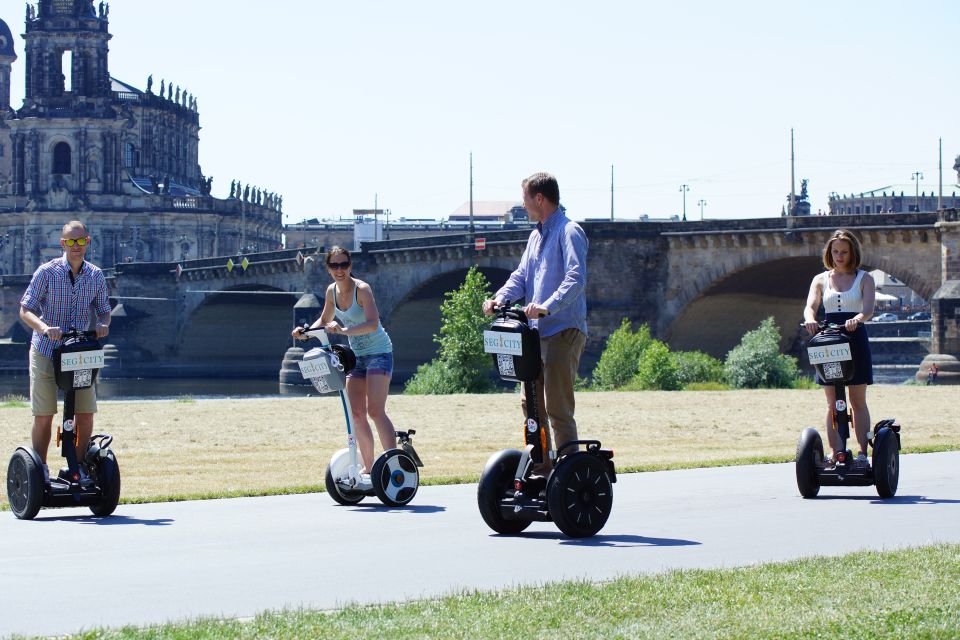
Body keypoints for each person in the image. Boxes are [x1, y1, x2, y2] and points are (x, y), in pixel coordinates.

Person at [482, 172, 588, 470]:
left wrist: (547, 306)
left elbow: (576, 278)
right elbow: (521, 276)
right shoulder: (536, 235)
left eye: (525, 199)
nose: (523, 205)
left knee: (557, 407)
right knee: (530, 405)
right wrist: (500, 299)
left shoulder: (569, 231)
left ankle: (570, 471)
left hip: (562, 331)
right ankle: (543, 468)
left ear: (539, 198)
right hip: (534, 335)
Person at [18, 221, 111, 484]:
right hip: (46, 350)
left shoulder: (95, 275)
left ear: (88, 242)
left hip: (79, 352)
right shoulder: (46, 273)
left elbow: (103, 308)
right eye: (71, 242)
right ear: (63, 244)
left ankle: (79, 467)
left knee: (85, 413)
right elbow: (25, 309)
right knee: (44, 414)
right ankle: (40, 471)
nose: (76, 247)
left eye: (80, 241)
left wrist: (104, 323)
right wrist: (45, 327)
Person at [292, 247, 396, 480]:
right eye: (334, 266)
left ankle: (393, 463)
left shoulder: (363, 290)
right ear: (328, 269)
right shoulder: (331, 291)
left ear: (350, 266)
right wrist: (305, 332)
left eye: (343, 265)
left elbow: (372, 323)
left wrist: (344, 330)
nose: (339, 270)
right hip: (356, 356)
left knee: (375, 411)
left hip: (379, 352)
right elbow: (325, 320)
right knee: (356, 413)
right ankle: (369, 468)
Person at [803, 229, 876, 469]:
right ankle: (835, 453)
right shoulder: (820, 279)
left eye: (844, 252)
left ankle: (863, 453)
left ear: (852, 252)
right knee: (832, 401)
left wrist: (858, 318)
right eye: (835, 251)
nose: (839, 256)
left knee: (857, 400)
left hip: (854, 337)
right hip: (829, 340)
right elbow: (810, 306)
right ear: (829, 252)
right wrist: (811, 318)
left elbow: (868, 310)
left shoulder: (865, 278)